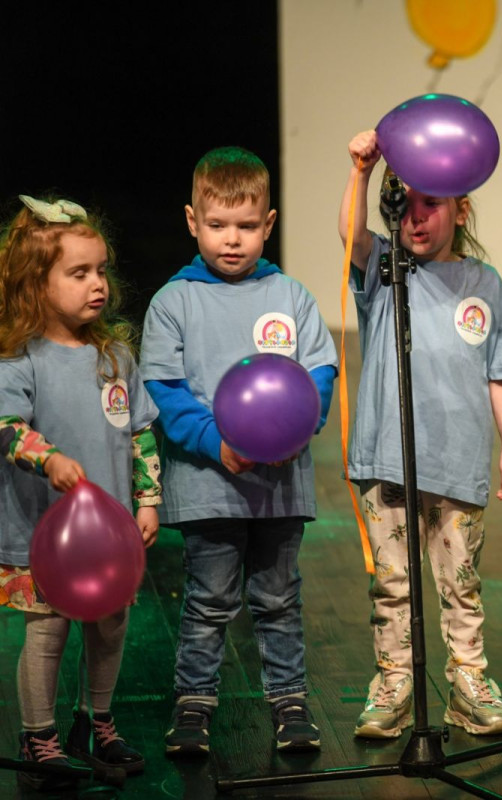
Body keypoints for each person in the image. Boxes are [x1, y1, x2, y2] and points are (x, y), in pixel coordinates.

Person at [140, 147, 338, 756]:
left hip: (280, 485)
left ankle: (289, 701)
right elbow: (165, 393)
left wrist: (293, 433)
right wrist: (216, 443)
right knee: (209, 600)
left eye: (247, 226)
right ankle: (194, 705)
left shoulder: (290, 295)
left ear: (269, 224)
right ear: (192, 222)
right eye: (218, 225)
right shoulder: (174, 302)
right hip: (209, 485)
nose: (233, 240)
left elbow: (321, 372)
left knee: (279, 598)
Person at [338, 129, 502, 738]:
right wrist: (361, 173)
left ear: (459, 210)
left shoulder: (486, 284)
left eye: (432, 205)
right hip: (386, 458)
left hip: (458, 459)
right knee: (392, 584)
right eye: (408, 203)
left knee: (460, 584)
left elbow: (501, 372)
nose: (418, 218)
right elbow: (350, 235)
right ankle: (394, 683)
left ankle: (469, 684)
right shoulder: (385, 270)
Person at [0, 195, 160, 789]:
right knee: (48, 629)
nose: (98, 284)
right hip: (45, 530)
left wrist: (147, 499)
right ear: (36, 284)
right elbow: (8, 426)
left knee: (110, 623)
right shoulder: (20, 359)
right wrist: (48, 457)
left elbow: (141, 431)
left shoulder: (115, 356)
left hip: (109, 531)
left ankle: (97, 722)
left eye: (101, 270)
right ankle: (38, 736)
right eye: (79, 273)